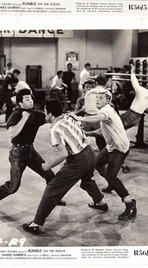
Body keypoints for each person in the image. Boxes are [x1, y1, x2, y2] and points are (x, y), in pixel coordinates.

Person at [23, 99, 108, 235]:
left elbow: (63, 154)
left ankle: (37, 224)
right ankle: (100, 202)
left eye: (45, 111)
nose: (44, 114)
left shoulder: (54, 129)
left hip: (78, 160)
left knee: (53, 188)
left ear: (49, 113)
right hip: (90, 154)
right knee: (87, 180)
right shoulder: (68, 116)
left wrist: (48, 166)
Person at [0, 89, 66, 212]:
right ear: (20, 104)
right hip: (17, 153)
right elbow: (11, 133)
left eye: (31, 98)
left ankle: (53, 198)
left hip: (30, 151)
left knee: (49, 174)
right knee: (13, 186)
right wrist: (23, 119)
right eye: (27, 99)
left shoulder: (36, 114)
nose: (31, 101)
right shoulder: (16, 115)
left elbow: (51, 117)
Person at [73, 89, 137, 220]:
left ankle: (130, 204)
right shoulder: (106, 111)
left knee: (112, 176)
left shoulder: (105, 111)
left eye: (101, 98)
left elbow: (98, 118)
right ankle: (110, 184)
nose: (97, 100)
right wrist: (88, 133)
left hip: (120, 148)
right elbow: (102, 130)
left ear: (108, 100)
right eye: (96, 98)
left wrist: (78, 117)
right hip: (111, 147)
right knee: (96, 164)